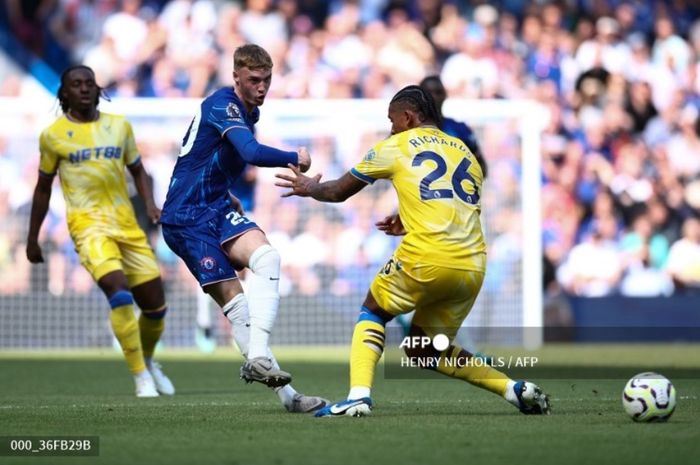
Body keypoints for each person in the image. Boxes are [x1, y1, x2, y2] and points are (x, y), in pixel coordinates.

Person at [275, 85, 550, 417]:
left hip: (427, 255)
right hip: (472, 266)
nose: (390, 128)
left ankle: (358, 396)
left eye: (392, 120)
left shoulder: (395, 145)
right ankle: (512, 389)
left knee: (374, 310)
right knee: (424, 349)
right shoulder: (464, 152)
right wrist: (408, 218)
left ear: (407, 117)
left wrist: (309, 187)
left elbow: (338, 192)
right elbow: (453, 202)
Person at [160, 44, 327, 413]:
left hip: (216, 206)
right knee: (238, 310)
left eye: (267, 79)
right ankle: (290, 399)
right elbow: (250, 153)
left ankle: (257, 360)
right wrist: (294, 157)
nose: (262, 87)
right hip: (185, 219)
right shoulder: (223, 104)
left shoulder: (247, 111)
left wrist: (228, 193)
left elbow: (207, 158)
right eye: (254, 80)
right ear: (236, 77)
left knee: (268, 258)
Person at [26, 65, 174, 398]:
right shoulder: (53, 136)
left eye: (89, 83)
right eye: (75, 84)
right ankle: (140, 377)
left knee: (156, 309)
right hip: (88, 228)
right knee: (119, 294)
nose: (83, 89)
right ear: (64, 93)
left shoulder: (119, 126)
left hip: (127, 226)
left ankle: (148, 361)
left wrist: (150, 204)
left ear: (97, 89)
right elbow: (41, 189)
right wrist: (32, 238)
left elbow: (138, 170)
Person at [419, 75, 488, 177]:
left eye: (438, 92)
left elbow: (482, 169)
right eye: (428, 92)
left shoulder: (460, 130)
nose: (433, 97)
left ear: (445, 95)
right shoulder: (406, 130)